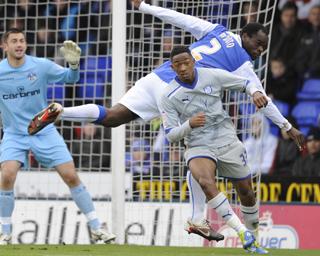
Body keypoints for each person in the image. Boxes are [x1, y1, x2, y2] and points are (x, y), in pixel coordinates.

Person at [28, 0, 304, 241]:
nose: (259, 51)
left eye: (263, 47)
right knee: (198, 151)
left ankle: (62, 111)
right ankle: (197, 217)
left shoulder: (216, 31)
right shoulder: (243, 64)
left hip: (159, 76)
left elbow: (180, 19)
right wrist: (287, 126)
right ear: (245, 36)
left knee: (113, 116)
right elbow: (261, 100)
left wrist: (144, 7)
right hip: (182, 90)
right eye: (257, 44)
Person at [0, 28, 115, 245]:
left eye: (22, 40)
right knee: (7, 175)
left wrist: (73, 64)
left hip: (44, 129)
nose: (19, 44)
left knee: (70, 176)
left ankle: (97, 228)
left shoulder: (40, 66)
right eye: (14, 41)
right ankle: (5, 232)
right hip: (15, 134)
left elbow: (71, 79)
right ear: (4, 46)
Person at [160, 45, 267, 253]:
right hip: (198, 144)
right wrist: (189, 124)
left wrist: (254, 91)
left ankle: (254, 239)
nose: (182, 67)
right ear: (172, 68)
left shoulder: (212, 75)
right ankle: (241, 231)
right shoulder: (168, 95)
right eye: (177, 64)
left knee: (247, 193)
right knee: (206, 182)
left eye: (186, 62)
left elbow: (244, 83)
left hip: (226, 138)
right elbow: (171, 135)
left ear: (193, 61)